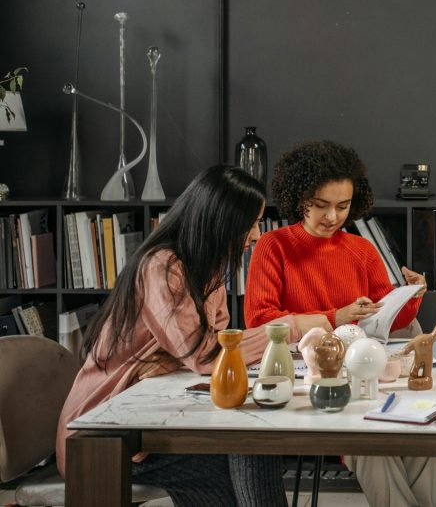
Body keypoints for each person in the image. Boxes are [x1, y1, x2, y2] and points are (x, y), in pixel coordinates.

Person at [57, 165, 331, 506]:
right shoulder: (163, 266)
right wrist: (289, 327)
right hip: (105, 434)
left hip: (148, 415)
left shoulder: (208, 268)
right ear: (222, 219)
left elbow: (212, 344)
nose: (258, 234)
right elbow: (207, 355)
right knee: (246, 447)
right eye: (252, 222)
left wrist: (174, 358)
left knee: (252, 441)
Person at [244, 140, 436, 507]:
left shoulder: (361, 250)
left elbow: (390, 319)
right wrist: (337, 317)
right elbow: (260, 323)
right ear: (299, 198)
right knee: (371, 442)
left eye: (343, 206)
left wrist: (411, 295)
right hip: (311, 385)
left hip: (369, 373)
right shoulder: (273, 246)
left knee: (426, 435)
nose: (332, 217)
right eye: (320, 206)